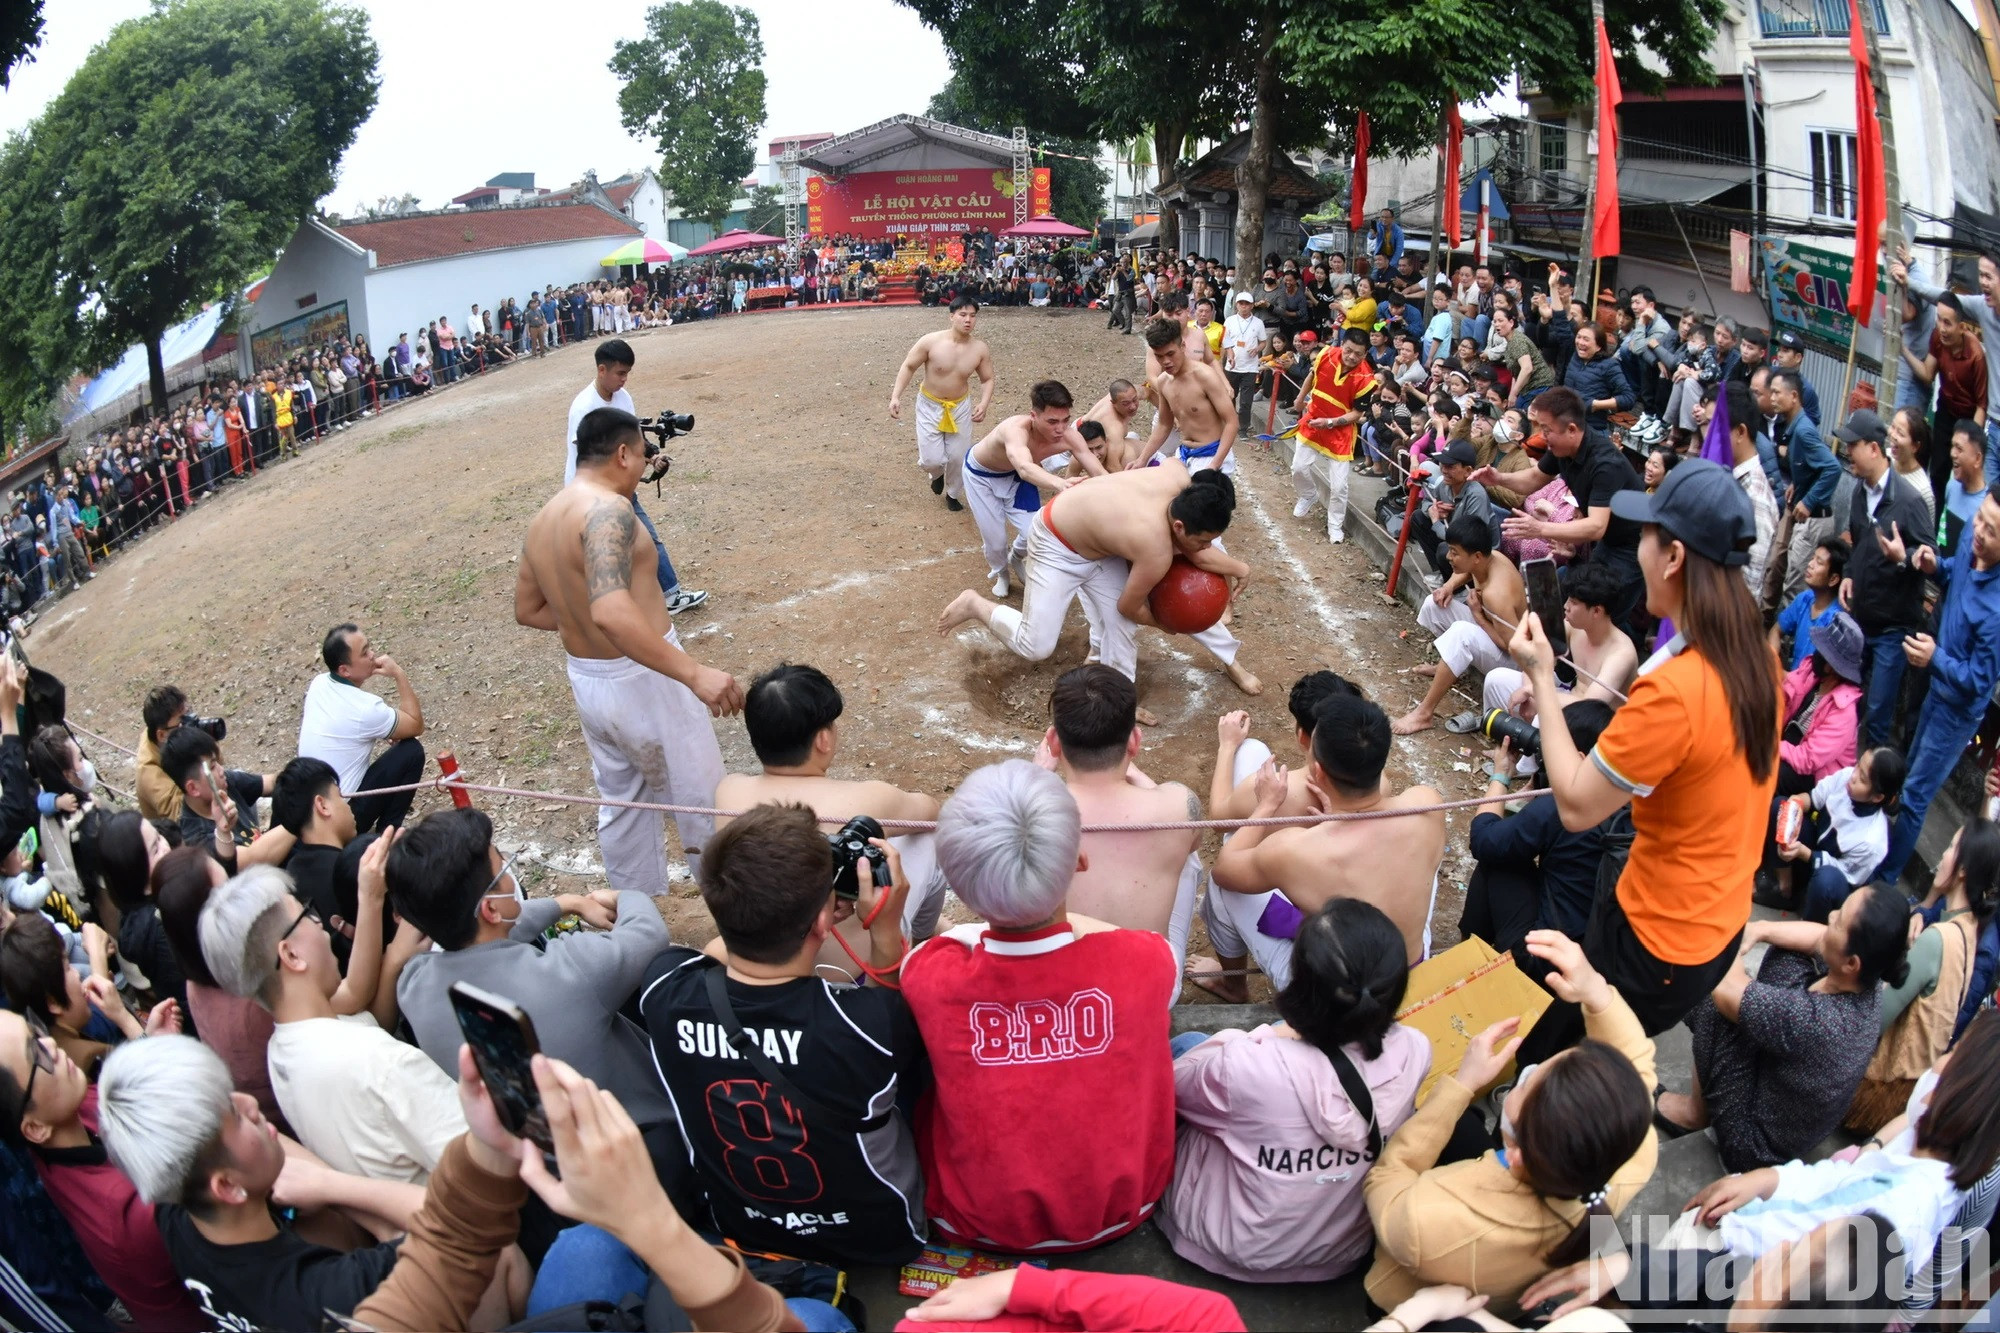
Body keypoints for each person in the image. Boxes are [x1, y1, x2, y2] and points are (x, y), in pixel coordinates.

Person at [1505, 459, 1779, 1066]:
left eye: (1646, 537)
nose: (1638, 552)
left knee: (1572, 1064)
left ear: (1674, 557)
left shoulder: (1676, 689)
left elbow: (1576, 805)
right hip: (1713, 925)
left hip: (1655, 938)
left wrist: (1542, 675)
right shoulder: (1758, 659)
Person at [902, 760, 1176, 1254]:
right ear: (1079, 862)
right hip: (1124, 1209)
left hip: (977, 1222)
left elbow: (931, 952)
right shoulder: (1148, 960)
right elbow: (1133, 939)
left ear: (961, 889)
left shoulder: (930, 974)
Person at [636, 801, 923, 1267]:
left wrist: (790, 914)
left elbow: (713, 953)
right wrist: (885, 929)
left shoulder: (663, 989)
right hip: (877, 1239)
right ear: (823, 923)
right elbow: (887, 1011)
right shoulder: (866, 1024)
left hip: (743, 1228)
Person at [96, 1035, 525, 1332]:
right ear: (227, 1188)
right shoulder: (327, 1294)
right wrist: (332, 1185)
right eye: (235, 1115)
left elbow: (195, 1147)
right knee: (501, 1252)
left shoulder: (177, 1207)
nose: (251, 1103)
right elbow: (460, 1228)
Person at [1363, 931, 1657, 1312]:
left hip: (1407, 1299)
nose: (1530, 1074)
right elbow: (1637, 1064)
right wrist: (1595, 992)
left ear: (1515, 1154)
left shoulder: (1428, 1220)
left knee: (1449, 1122)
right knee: (1465, 1127)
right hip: (1504, 1294)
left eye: (1527, 1082)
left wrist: (1462, 1085)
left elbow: (1386, 1183)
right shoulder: (1634, 1154)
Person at [516, 407, 741, 891]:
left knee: (623, 805)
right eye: (641, 455)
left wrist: (582, 619)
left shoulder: (543, 519)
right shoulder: (608, 510)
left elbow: (528, 609)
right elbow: (611, 612)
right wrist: (693, 673)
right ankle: (738, 912)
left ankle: (632, 911)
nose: (643, 466)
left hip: (589, 682)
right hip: (644, 679)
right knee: (703, 802)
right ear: (622, 453)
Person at [1160, 897, 1427, 1283]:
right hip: (1338, 1252)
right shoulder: (1415, 1050)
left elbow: (1171, 1089)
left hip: (1223, 1242)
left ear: (1302, 983)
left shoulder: (1248, 1063)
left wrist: (1249, 1039)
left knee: (1190, 1044)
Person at [200, 863, 461, 1184]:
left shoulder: (282, 1051)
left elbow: (357, 1002)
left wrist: (385, 936)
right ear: (291, 955)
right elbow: (488, 1157)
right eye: (307, 914)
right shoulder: (380, 1064)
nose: (321, 926)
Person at [936, 464, 1260, 720]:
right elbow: (1130, 606)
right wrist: (1165, 625)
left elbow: (1194, 555)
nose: (1205, 548)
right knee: (1036, 645)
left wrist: (1239, 568)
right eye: (1203, 541)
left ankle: (1120, 702)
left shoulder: (1177, 475)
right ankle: (974, 604)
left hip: (1101, 547)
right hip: (1056, 543)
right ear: (1179, 527)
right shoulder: (1155, 548)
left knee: (1121, 628)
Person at [1194, 694, 1447, 1000]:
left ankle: (1234, 986)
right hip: (1408, 971)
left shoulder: (1296, 851)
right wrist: (1339, 820)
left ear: (1319, 772)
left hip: (1339, 1000)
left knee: (1223, 887)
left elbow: (1224, 870)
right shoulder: (1427, 803)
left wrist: (1266, 805)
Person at [1657, 886, 1911, 1171]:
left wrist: (1722, 933)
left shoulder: (1821, 1021)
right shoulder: (1868, 980)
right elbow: (1819, 937)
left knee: (1713, 1005)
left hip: (1751, 1144)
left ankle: (1694, 1113)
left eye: (1839, 920)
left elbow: (1726, 993)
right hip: (1780, 1094)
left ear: (1852, 963)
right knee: (1789, 952)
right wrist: (1759, 929)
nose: (1831, 915)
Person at [714, 662, 948, 955]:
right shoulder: (870, 797)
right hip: (854, 968)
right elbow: (931, 812)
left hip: (755, 955)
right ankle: (924, 938)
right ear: (823, 740)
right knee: (927, 836)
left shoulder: (728, 790)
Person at [0, 1008, 207, 1331]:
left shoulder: (68, 1121)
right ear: (35, 1128)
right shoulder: (133, 1212)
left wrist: (150, 1044)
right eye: (36, 1054)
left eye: (36, 1030)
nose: (51, 1044)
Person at [1041, 664, 1203, 977]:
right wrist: (1138, 777)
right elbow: (1189, 838)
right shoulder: (1179, 804)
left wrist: (1036, 775)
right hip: (1152, 987)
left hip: (1065, 989)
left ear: (1053, 742)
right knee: (1186, 851)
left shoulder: (1024, 818)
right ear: (1135, 741)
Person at [1878, 491, 2000, 886]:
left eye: (1991, 531)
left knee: (1916, 797)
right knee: (1909, 767)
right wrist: (1933, 565)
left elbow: (1979, 681)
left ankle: (1884, 880)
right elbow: (1952, 572)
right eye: (1979, 519)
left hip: (1957, 711)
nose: (1978, 531)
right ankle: (1880, 848)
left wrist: (1936, 659)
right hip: (1936, 683)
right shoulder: (1971, 540)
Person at [1459, 701, 1619, 964]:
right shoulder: (1627, 801)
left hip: (1545, 960)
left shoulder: (1563, 806)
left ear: (1579, 759)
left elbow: (1483, 840)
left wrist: (1501, 775)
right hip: (1595, 960)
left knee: (1497, 860)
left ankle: (1468, 955)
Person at [565, 338, 706, 615]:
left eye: (627, 373)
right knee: (603, 551)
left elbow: (634, 436)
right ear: (602, 370)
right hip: (589, 494)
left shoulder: (623, 398)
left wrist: (652, 457)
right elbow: (586, 456)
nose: (624, 379)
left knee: (645, 540)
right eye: (620, 373)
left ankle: (669, 595)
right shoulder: (584, 407)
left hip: (619, 487)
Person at [1484, 388, 1647, 628]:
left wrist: (1539, 528)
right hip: (1605, 542)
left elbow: (1596, 526)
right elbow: (1534, 477)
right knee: (1579, 604)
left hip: (1632, 547)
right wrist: (1498, 478)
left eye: (1546, 429)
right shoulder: (1561, 448)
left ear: (1571, 429)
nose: (1543, 436)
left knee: (1603, 618)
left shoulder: (1605, 463)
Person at [1835, 408, 1937, 748]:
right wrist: (1849, 574)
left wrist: (1904, 557)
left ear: (1874, 449)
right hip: (1861, 617)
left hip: (1893, 628)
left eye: (1853, 446)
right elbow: (1858, 543)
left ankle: (1872, 776)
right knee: (1847, 701)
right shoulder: (1859, 492)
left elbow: (1931, 558)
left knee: (1878, 714)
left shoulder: (1910, 501)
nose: (1848, 452)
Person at [962, 380, 1105, 598]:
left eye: (1065, 420)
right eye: (1052, 421)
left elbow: (1099, 473)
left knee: (1036, 532)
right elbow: (1025, 468)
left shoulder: (1069, 436)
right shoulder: (1015, 430)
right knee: (996, 542)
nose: (1060, 428)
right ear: (1034, 416)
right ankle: (1001, 573)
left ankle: (1016, 557)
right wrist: (1061, 483)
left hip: (1017, 478)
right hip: (983, 478)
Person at [1395, 513, 1524, 735]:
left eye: (1455, 553)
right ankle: (1448, 667)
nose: (1449, 557)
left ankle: (1424, 713)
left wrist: (1479, 616)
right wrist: (1447, 587)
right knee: (1434, 604)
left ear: (1476, 557)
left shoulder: (1496, 593)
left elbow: (1512, 645)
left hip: (1514, 661)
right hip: (1492, 630)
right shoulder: (1490, 557)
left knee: (1461, 634)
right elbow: (1467, 572)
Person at [297, 622, 425, 835]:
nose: (373, 654)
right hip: (345, 820)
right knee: (411, 751)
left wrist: (382, 730)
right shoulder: (365, 709)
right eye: (365, 653)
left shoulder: (319, 683)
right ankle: (387, 833)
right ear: (344, 670)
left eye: (369, 647)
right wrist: (399, 674)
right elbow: (415, 724)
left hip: (312, 815)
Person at [1479, 560, 1638, 729]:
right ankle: (1498, 733)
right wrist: (1530, 691)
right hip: (1567, 698)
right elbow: (1536, 658)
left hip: (1597, 727)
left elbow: (1588, 707)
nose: (1565, 606)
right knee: (1496, 680)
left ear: (1597, 611)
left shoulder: (1621, 653)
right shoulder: (1574, 627)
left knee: (1543, 718)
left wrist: (1535, 692)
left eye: (1574, 602)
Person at [889, 295, 996, 511]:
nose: (968, 320)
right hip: (930, 404)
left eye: (973, 316)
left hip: (960, 406)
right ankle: (936, 474)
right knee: (931, 459)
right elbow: (909, 366)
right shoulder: (930, 341)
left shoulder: (979, 349)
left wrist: (984, 403)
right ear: (952, 316)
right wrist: (895, 396)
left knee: (958, 456)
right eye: (963, 314)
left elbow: (987, 379)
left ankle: (953, 494)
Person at [1289, 328, 1379, 543]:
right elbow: (1312, 376)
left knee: (1339, 486)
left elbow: (1357, 414)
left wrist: (1330, 423)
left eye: (1358, 353)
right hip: (1313, 419)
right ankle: (1308, 494)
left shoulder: (1367, 380)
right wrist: (1300, 399)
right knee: (1298, 468)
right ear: (1342, 345)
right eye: (1348, 350)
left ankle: (1335, 525)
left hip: (1340, 430)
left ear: (1365, 354)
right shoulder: (1325, 354)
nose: (1352, 356)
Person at [157, 726, 290, 869]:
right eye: (212, 767)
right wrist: (299, 816)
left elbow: (270, 783)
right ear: (193, 788)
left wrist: (295, 774)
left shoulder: (223, 784)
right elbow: (253, 860)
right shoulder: (199, 840)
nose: (221, 770)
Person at [1771, 367, 1843, 602]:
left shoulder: (1803, 430)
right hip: (1805, 515)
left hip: (1814, 521)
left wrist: (1809, 500)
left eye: (1777, 393)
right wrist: (1798, 483)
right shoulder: (1795, 427)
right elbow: (1811, 466)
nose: (1772, 398)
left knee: (1795, 587)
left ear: (1794, 396)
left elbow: (1833, 468)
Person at [1138, 314, 1241, 474]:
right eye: (1159, 356)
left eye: (1170, 354)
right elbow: (1164, 424)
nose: (1165, 361)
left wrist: (1214, 465)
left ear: (1182, 346)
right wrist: (1142, 459)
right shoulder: (1164, 381)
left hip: (1211, 454)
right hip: (1185, 453)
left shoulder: (1205, 376)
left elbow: (1231, 421)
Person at [1222, 291, 1267, 434]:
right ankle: (1229, 423)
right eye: (1241, 303)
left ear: (1252, 306)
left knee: (1246, 401)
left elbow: (1263, 342)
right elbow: (1224, 340)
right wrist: (1229, 354)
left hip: (1250, 367)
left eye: (1247, 304)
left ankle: (1243, 428)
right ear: (1236, 305)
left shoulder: (1258, 323)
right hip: (1232, 366)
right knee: (1230, 397)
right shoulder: (1229, 321)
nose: (1244, 306)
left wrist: (1257, 349)